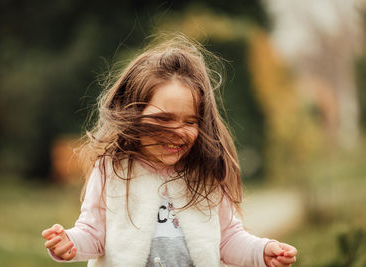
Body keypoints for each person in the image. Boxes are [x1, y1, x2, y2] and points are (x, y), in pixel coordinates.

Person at [41, 34, 297, 267]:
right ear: (133, 114)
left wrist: (260, 252)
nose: (178, 131)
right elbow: (94, 234)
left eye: (190, 121)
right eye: (163, 119)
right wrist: (70, 242)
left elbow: (228, 238)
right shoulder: (113, 169)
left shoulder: (204, 172)